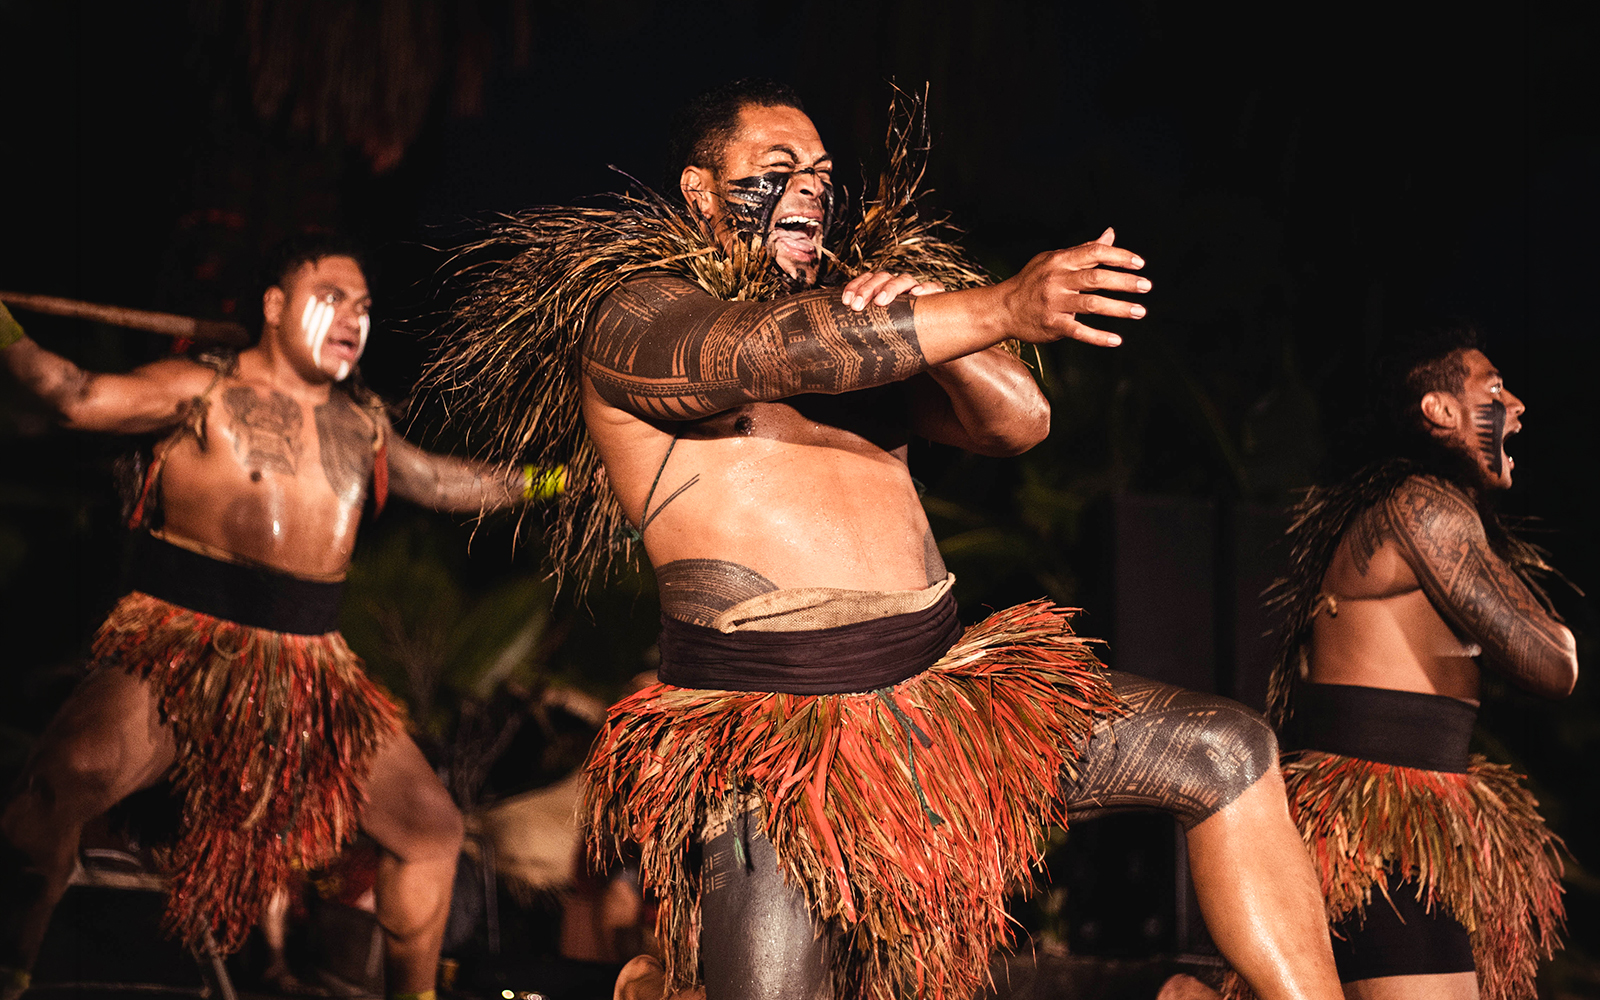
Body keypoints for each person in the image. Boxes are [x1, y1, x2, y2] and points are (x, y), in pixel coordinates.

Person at [427, 81, 1340, 1000]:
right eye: (776, 171)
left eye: (822, 174)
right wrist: (999, 306)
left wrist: (940, 313)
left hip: (954, 701)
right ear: (698, 191)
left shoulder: (860, 318)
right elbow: (768, 353)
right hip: (782, 754)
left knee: (1227, 751)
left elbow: (1021, 422)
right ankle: (663, 985)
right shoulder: (633, 317)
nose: (812, 189)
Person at [0, 235, 555, 1000]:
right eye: (332, 296)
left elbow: (442, 481)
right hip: (185, 644)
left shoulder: (362, 421)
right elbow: (74, 394)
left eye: (364, 306)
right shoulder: (201, 390)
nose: (354, 318)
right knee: (53, 796)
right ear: (273, 306)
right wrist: (4, 330)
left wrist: (558, 480)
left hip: (314, 667)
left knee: (431, 832)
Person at [1219, 326, 1575, 1000]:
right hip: (1387, 828)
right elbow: (1555, 664)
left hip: (1386, 813)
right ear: (1439, 411)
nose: (1519, 406)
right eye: (1495, 390)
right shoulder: (1427, 511)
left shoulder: (1417, 510)